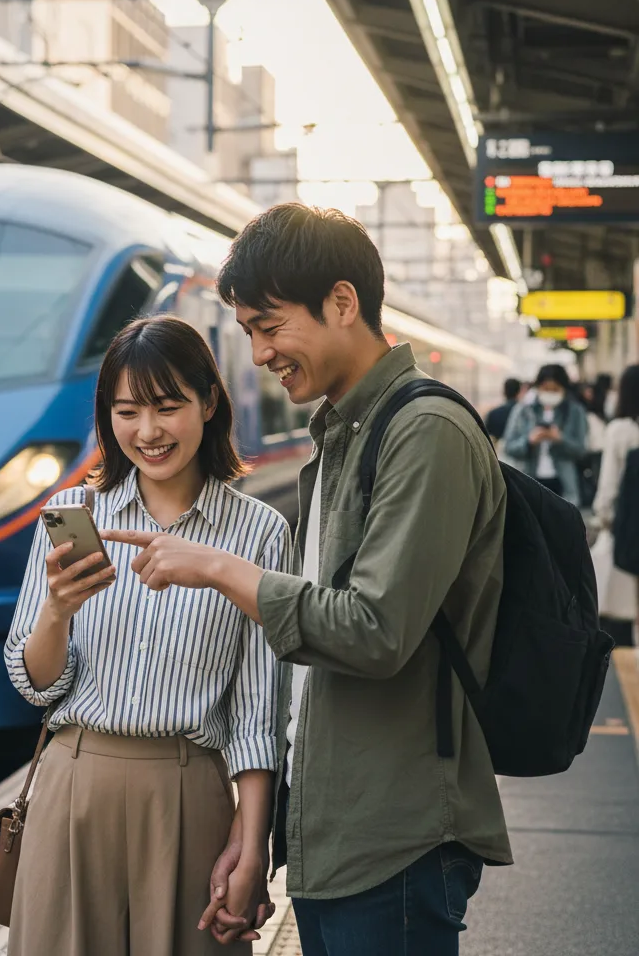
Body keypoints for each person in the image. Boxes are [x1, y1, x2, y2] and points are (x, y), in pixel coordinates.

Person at [104, 204, 511, 956]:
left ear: (342, 302)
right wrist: (263, 837)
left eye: (268, 326)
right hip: (342, 825)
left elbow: (376, 630)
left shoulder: (424, 432)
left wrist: (223, 570)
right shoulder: (345, 433)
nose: (257, 354)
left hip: (398, 831)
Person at [4, 314, 290, 956]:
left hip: (189, 796)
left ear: (209, 402)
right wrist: (55, 611)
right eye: (126, 411)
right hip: (72, 788)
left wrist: (253, 841)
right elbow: (33, 683)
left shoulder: (258, 533)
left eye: (167, 407)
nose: (148, 432)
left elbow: (257, 710)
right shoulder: (73, 515)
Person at [590, 364, 639, 647]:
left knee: (625, 609)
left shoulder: (620, 430)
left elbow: (608, 487)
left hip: (628, 530)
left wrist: (603, 518)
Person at [503, 364, 589, 504]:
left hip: (564, 484)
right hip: (530, 481)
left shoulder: (575, 411)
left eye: (555, 389)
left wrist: (561, 439)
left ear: (564, 389)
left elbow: (581, 449)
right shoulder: (523, 411)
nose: (550, 393)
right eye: (545, 389)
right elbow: (509, 446)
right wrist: (529, 441)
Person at [484, 377, 522, 444]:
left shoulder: (493, 413)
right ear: (519, 392)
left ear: (504, 392)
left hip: (496, 452)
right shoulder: (524, 414)